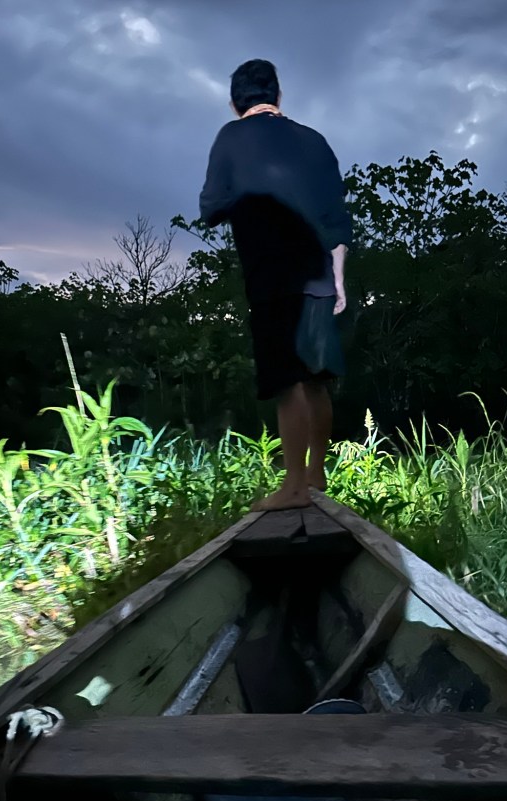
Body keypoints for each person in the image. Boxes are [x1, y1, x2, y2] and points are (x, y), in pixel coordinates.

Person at [199, 59, 352, 511]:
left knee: (288, 381)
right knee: (318, 378)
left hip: (270, 274)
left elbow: (210, 206)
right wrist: (338, 277)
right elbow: (336, 217)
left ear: (234, 102)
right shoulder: (315, 141)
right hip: (319, 274)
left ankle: (294, 488)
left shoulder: (230, 137)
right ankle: (317, 474)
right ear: (278, 97)